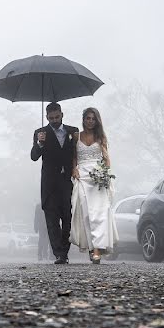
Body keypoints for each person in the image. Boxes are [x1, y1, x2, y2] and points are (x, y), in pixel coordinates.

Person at [31, 102, 78, 264]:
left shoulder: (73, 131)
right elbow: (34, 156)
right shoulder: (40, 133)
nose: (54, 120)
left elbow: (78, 155)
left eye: (57, 117)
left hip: (66, 182)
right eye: (51, 118)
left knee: (67, 218)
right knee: (51, 220)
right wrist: (40, 143)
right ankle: (59, 254)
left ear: (62, 115)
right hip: (49, 184)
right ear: (46, 117)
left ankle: (65, 250)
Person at [70, 107, 118, 263]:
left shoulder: (101, 137)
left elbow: (107, 160)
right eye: (87, 118)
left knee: (99, 213)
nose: (90, 121)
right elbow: (73, 157)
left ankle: (97, 249)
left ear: (97, 120)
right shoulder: (76, 136)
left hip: (98, 178)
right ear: (83, 119)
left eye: (93, 118)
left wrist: (104, 173)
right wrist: (74, 169)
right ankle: (92, 248)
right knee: (85, 213)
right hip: (82, 177)